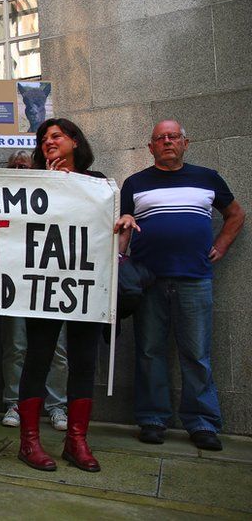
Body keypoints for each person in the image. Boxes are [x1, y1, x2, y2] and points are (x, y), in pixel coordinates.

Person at [16, 118, 136, 473]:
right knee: (38, 356)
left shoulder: (99, 184)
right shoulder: (33, 182)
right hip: (44, 285)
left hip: (86, 285)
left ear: (74, 142)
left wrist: (123, 222)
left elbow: (108, 236)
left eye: (57, 136)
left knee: (84, 360)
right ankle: (29, 442)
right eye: (43, 138)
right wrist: (51, 184)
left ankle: (77, 441)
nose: (49, 141)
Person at [121, 120, 245, 451]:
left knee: (196, 353)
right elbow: (122, 227)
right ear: (150, 148)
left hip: (195, 278)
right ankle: (152, 419)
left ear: (185, 143)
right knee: (149, 351)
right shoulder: (134, 184)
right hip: (147, 280)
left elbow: (235, 214)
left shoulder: (207, 178)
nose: (166, 142)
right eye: (160, 138)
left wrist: (222, 243)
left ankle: (202, 422)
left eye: (173, 137)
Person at [0, 150, 69, 431]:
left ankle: (57, 406)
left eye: (24, 166)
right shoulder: (2, 198)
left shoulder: (50, 194)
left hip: (51, 281)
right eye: (14, 165)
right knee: (16, 346)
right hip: (15, 283)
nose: (18, 169)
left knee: (58, 349)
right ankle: (14, 403)